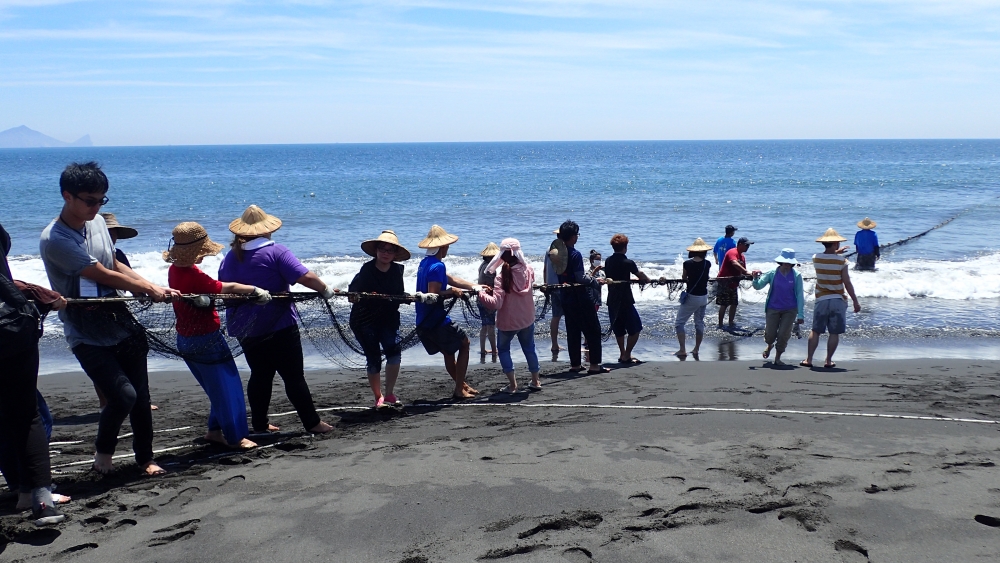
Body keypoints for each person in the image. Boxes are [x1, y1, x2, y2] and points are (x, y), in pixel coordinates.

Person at [40, 162, 180, 476]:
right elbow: (96, 272)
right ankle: (103, 456)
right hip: (85, 331)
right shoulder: (55, 239)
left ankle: (145, 458)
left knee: (141, 398)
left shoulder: (99, 223)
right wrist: (145, 288)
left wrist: (151, 286)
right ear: (68, 196)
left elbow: (113, 263)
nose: (96, 207)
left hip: (120, 321)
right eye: (89, 200)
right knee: (122, 396)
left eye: (102, 200)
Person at [218, 205, 334, 435]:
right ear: (267, 229)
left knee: (260, 374)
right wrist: (326, 289)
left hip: (245, 328)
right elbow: (304, 276)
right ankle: (312, 423)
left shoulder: (230, 257)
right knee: (293, 376)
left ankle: (260, 425)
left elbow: (222, 287)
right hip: (279, 324)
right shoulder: (276, 251)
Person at [165, 222, 264, 449]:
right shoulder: (193, 275)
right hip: (205, 339)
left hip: (185, 338)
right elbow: (224, 287)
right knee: (228, 387)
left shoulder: (175, 270)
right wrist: (252, 290)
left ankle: (214, 431)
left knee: (216, 388)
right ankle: (236, 437)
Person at [1, 222, 67, 526]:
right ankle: (39, 499)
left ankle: (28, 491)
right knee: (26, 414)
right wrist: (34, 292)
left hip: (9, 327)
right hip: (10, 328)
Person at [415, 225, 486, 400]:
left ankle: (462, 385)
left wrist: (474, 286)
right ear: (442, 246)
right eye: (447, 245)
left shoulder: (425, 263)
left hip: (423, 319)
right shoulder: (438, 266)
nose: (448, 248)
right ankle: (458, 389)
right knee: (465, 343)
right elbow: (434, 293)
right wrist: (452, 291)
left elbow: (451, 279)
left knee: (449, 352)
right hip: (435, 319)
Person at [98, 212, 158, 411]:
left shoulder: (119, 255)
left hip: (119, 310)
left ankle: (142, 400)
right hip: (95, 312)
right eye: (107, 232)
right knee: (102, 358)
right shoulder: (89, 257)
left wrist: (145, 291)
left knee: (132, 354)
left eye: (113, 233)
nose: (111, 237)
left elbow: (131, 283)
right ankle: (105, 401)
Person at [348, 230, 410, 408]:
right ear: (376, 250)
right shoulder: (367, 269)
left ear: (395, 254)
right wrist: (363, 296)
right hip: (364, 320)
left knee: (394, 355)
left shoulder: (398, 270)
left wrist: (405, 298)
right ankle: (378, 397)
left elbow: (398, 294)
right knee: (373, 358)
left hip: (389, 319)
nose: (385, 253)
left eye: (390, 250)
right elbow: (353, 294)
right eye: (382, 249)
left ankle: (390, 393)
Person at [477, 238, 541, 393]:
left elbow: (496, 304)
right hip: (527, 318)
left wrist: (480, 293)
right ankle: (535, 381)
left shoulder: (501, 277)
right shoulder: (529, 270)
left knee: (503, 349)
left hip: (508, 322)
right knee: (529, 348)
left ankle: (513, 385)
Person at [555, 221, 609, 375]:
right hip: (580, 297)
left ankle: (575, 365)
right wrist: (594, 281)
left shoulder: (557, 253)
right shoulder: (575, 254)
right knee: (593, 329)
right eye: (577, 235)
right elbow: (579, 277)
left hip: (565, 295)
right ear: (573, 237)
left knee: (573, 330)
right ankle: (594, 365)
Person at [803, 228, 862, 369]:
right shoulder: (842, 261)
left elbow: (827, 257)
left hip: (822, 299)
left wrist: (835, 252)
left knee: (816, 330)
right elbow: (846, 282)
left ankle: (809, 359)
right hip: (837, 299)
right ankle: (828, 360)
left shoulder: (815, 257)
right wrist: (855, 301)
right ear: (836, 243)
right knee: (834, 332)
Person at [604, 234, 657, 364]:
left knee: (619, 329)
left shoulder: (608, 261)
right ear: (625, 247)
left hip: (612, 299)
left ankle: (622, 353)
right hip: (625, 299)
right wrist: (648, 280)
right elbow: (641, 275)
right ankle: (627, 354)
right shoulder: (628, 262)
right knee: (636, 328)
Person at [752, 249, 805, 366]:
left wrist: (800, 314)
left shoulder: (796, 276)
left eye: (789, 262)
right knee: (770, 335)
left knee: (783, 334)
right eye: (785, 262)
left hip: (790, 309)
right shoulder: (772, 273)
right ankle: (770, 345)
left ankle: (777, 358)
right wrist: (755, 278)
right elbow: (758, 286)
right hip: (773, 308)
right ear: (780, 262)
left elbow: (800, 295)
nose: (787, 265)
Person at [675, 238, 713, 358]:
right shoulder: (707, 263)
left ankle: (682, 350)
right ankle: (696, 349)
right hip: (704, 297)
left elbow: (684, 277)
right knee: (699, 323)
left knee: (679, 323)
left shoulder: (687, 264)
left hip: (692, 297)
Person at [716, 236, 760, 329]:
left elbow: (743, 271)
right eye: (746, 245)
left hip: (734, 283)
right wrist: (747, 272)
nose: (748, 247)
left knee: (734, 303)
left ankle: (731, 322)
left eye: (748, 245)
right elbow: (734, 263)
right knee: (724, 304)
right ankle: (720, 324)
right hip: (724, 281)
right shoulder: (732, 252)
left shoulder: (742, 257)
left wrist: (753, 275)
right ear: (740, 244)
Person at [543, 228, 564, 353]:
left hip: (551, 285)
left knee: (556, 316)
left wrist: (546, 283)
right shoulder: (562, 249)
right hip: (561, 286)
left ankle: (554, 344)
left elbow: (545, 268)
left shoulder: (549, 248)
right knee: (571, 316)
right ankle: (574, 344)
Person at [477, 242, 499, 359]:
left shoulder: (482, 265)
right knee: (491, 325)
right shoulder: (490, 268)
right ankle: (494, 350)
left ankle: (482, 349)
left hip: (480, 297)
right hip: (487, 298)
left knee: (485, 325)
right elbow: (493, 284)